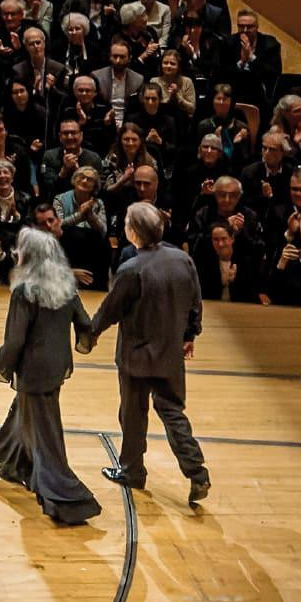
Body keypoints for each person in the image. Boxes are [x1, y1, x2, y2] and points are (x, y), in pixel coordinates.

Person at [78, 198, 211, 505]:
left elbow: (110, 310)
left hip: (136, 355)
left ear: (134, 231)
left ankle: (132, 471)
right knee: (173, 413)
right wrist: (191, 334)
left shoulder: (131, 268)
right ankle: (197, 472)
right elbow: (195, 301)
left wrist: (90, 335)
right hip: (170, 353)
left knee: (133, 415)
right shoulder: (182, 260)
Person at [0, 226, 103, 526]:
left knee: (45, 433)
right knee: (27, 413)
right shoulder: (66, 286)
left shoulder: (25, 292)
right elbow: (85, 325)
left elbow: (15, 341)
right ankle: (15, 465)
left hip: (33, 368)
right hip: (57, 366)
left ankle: (69, 500)